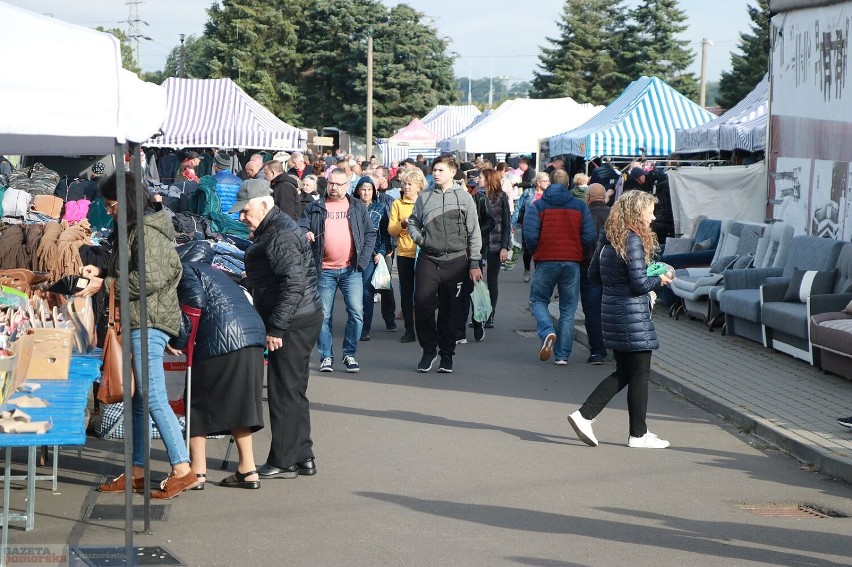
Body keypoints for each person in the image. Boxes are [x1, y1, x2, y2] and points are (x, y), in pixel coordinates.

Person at [80, 171, 198, 499]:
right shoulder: (136, 229)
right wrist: (103, 271)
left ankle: (182, 468)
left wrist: (107, 284)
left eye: (112, 203)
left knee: (152, 393)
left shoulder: (146, 231)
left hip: (149, 320)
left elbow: (152, 278)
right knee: (138, 397)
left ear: (127, 200)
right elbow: (136, 271)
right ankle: (136, 471)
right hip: (139, 320)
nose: (109, 209)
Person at [567, 190, 674, 449]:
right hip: (632, 315)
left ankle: (588, 416)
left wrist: (619, 282)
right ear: (636, 211)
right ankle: (636, 433)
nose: (652, 217)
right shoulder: (633, 239)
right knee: (639, 374)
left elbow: (593, 275)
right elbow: (639, 284)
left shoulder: (608, 238)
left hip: (613, 311)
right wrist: (658, 279)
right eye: (649, 211)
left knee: (626, 372)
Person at [231, 180, 324, 479]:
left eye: (245, 211)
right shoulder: (276, 227)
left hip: (293, 320)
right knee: (293, 390)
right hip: (301, 316)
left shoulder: (280, 233)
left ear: (263, 204)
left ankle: (283, 460)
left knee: (284, 392)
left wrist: (277, 329)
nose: (242, 217)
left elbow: (293, 284)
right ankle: (303, 455)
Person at [175, 262, 266, 490]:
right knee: (240, 403)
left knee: (196, 401)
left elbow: (193, 305)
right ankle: (248, 469)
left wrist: (178, 340)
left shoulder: (185, 269)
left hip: (222, 337)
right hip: (251, 336)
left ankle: (197, 472)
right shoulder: (215, 271)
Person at [407, 155, 482, 373]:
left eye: (440, 170)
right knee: (422, 303)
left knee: (451, 311)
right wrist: (421, 240)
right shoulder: (425, 196)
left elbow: (474, 231)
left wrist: (475, 262)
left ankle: (446, 355)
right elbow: (413, 222)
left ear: (452, 173)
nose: (436, 174)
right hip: (429, 258)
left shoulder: (464, 197)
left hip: (456, 261)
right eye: (434, 170)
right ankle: (428, 350)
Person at [300, 168, 376, 373]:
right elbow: (300, 227)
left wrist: (364, 259)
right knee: (323, 316)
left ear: (348, 185)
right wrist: (306, 232)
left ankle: (349, 354)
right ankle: (326, 356)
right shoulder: (315, 207)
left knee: (357, 313)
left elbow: (370, 234)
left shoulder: (357, 207)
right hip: (323, 270)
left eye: (338, 184)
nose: (333, 187)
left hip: (352, 269)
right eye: (331, 183)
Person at [523, 169, 596, 365]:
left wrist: (536, 251)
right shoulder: (580, 207)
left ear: (549, 183)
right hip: (571, 262)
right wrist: (579, 251)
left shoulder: (538, 206)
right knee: (568, 309)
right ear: (567, 185)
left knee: (538, 300)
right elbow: (589, 236)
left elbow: (529, 235)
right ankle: (562, 355)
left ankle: (547, 331)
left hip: (545, 260)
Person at [388, 168, 426, 343]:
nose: (406, 187)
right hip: (405, 253)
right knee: (406, 292)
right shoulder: (398, 204)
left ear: (419, 186)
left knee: (424, 293)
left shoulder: (426, 202)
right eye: (405, 184)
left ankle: (424, 326)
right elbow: (391, 230)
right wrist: (403, 223)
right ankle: (409, 329)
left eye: (410, 184)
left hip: (424, 253)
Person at [456, 176, 494, 343]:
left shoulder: (481, 199)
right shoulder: (455, 199)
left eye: (472, 187)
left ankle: (478, 323)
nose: (470, 190)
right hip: (457, 252)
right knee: (462, 292)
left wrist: (476, 233)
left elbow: (490, 221)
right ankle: (460, 332)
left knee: (474, 289)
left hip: (475, 251)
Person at [354, 176, 392, 341]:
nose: (366, 192)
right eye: (363, 189)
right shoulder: (351, 207)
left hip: (371, 256)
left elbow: (385, 236)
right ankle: (354, 323)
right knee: (353, 295)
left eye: (369, 189)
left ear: (374, 191)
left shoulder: (380, 209)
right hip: (351, 255)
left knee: (367, 293)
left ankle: (364, 328)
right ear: (358, 190)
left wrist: (381, 252)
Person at [581, 183, 611, 365]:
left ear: (588, 197)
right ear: (604, 197)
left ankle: (597, 351)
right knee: (612, 309)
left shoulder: (584, 215)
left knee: (592, 311)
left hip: (588, 268)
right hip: (611, 268)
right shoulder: (614, 215)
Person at [481, 169, 511, 329]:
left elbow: (506, 223)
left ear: (488, 179)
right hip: (479, 244)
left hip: (496, 244)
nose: (478, 179)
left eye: (480, 177)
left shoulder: (501, 197)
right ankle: (478, 315)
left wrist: (505, 247)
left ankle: (490, 315)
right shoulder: (478, 196)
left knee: (492, 280)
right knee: (476, 282)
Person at [512, 171, 549, 282]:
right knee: (528, 250)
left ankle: (538, 271)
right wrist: (513, 224)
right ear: (538, 182)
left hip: (543, 225)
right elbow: (518, 208)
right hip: (528, 225)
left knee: (541, 249)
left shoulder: (548, 194)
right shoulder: (528, 192)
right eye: (545, 181)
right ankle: (527, 269)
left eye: (548, 181)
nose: (548, 183)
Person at [625, 166, 674, 245]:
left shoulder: (656, 180)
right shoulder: (633, 187)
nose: (641, 180)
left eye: (641, 177)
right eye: (638, 179)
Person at [211, 151, 242, 217]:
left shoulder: (210, 181)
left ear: (216, 165)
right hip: (235, 219)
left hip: (217, 219)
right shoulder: (240, 181)